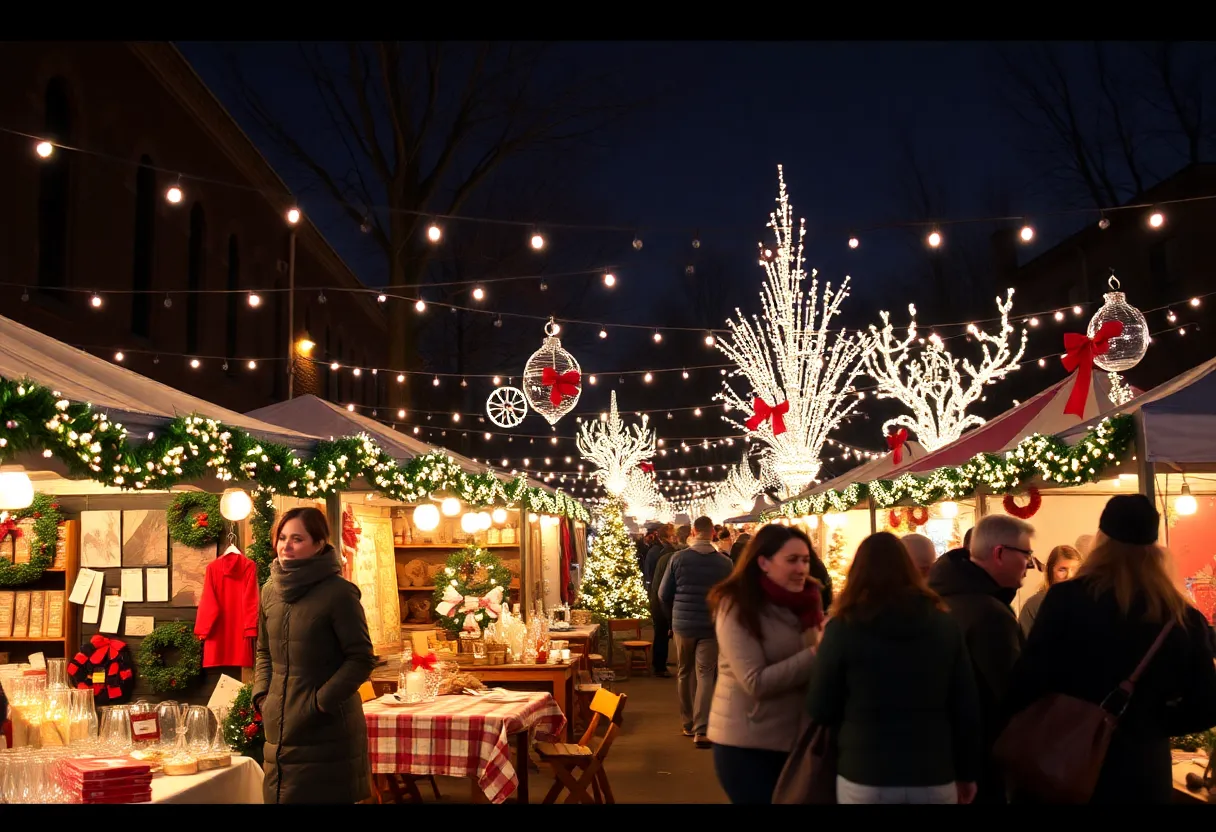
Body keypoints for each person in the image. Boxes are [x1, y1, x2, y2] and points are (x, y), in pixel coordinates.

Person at [1003, 495, 1216, 804]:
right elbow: (1206, 704)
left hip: (1066, 760)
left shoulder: (1066, 600)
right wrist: (1150, 723)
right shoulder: (1182, 617)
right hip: (1142, 770)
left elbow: (1027, 682)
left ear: (1101, 541)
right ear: (1154, 549)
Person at [808, 532, 981, 804]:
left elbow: (820, 707)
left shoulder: (843, 628)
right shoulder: (944, 625)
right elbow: (965, 706)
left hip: (865, 769)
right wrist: (967, 772)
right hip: (932, 770)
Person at [253, 507, 377, 804]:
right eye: (282, 537)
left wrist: (318, 704)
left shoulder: (339, 593)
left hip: (327, 730)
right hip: (278, 727)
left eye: (297, 538)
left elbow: (361, 658)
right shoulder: (270, 590)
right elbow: (264, 651)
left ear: (319, 543)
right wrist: (262, 696)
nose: (286, 546)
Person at [706, 525, 824, 803]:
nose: (801, 569)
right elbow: (755, 682)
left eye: (805, 560)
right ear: (764, 562)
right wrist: (818, 653)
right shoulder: (736, 605)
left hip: (797, 741)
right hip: (747, 744)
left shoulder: (809, 599)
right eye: (792, 560)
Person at [928, 513, 1033, 805]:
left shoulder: (941, 597)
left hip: (940, 753)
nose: (1029, 565)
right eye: (1026, 554)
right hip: (980, 760)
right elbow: (1010, 694)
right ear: (999, 553)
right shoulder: (989, 615)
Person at [659, 515, 734, 748]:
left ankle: (687, 722)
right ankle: (702, 729)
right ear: (712, 533)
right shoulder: (724, 563)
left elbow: (663, 593)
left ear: (693, 531)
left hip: (682, 624)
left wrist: (672, 617)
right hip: (710, 625)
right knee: (706, 674)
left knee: (684, 671)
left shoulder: (678, 559)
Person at [1017, 545, 1082, 637]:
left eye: (1075, 570)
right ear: (1050, 572)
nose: (1069, 576)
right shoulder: (1034, 605)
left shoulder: (1086, 603)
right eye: (1062, 570)